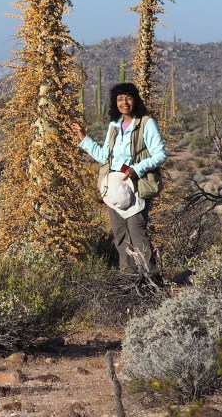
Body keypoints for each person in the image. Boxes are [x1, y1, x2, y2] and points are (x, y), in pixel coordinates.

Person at [71, 82, 166, 282]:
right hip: (115, 187)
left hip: (137, 185)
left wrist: (136, 169)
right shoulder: (114, 126)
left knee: (136, 230)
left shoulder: (146, 123)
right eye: (120, 99)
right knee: (120, 232)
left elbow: (160, 155)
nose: (124, 103)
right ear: (115, 103)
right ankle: (128, 277)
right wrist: (83, 138)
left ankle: (149, 276)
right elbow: (105, 156)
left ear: (135, 100)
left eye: (128, 98)